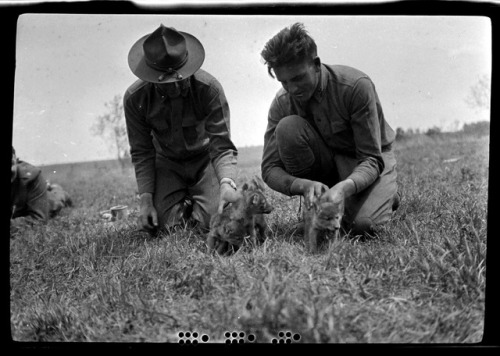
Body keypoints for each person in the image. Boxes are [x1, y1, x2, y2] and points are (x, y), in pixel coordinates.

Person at [260, 23, 399, 236]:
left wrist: (344, 188)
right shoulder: (281, 102)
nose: (292, 88)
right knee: (287, 127)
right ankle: (335, 204)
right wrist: (303, 185)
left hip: (365, 161)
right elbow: (270, 168)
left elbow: (371, 159)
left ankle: (386, 193)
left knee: (364, 226)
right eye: (284, 82)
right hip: (327, 166)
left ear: (316, 64)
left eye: (298, 78)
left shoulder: (355, 86)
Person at [124, 24, 239, 234]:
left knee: (217, 220)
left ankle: (202, 201)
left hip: (205, 162)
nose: (175, 87)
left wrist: (226, 183)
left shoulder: (210, 88)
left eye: (180, 78)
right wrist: (146, 200)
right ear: (150, 75)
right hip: (166, 164)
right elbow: (142, 152)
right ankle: (181, 204)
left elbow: (221, 145)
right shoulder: (135, 98)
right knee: (160, 226)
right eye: (165, 83)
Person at [10, 147, 72, 231]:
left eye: (11, 164)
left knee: (55, 201)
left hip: (34, 205)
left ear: (15, 158)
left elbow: (39, 219)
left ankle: (58, 190)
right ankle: (46, 186)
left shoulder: (31, 176)